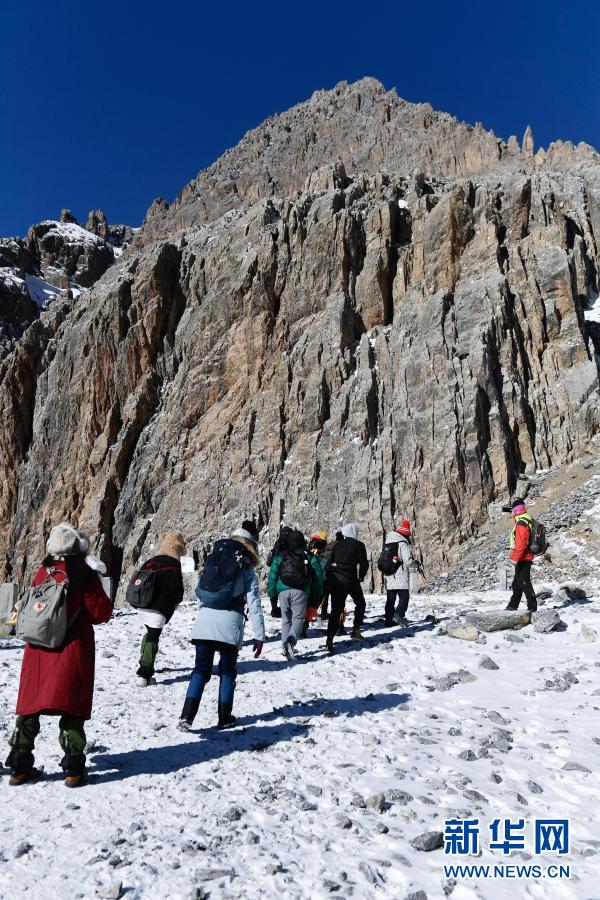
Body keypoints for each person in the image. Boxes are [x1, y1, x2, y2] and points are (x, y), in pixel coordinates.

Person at [5, 523, 112, 787]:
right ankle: (74, 769)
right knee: (72, 707)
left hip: (38, 652)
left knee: (29, 709)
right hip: (70, 651)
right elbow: (101, 613)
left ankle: (19, 767)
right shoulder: (83, 574)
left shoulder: (43, 572)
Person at [178, 526, 265, 731]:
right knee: (227, 672)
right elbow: (254, 605)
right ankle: (224, 717)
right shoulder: (246, 571)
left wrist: (203, 618)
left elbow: (202, 594)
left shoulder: (214, 562)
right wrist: (259, 635)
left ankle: (186, 717)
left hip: (205, 622)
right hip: (230, 625)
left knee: (200, 670)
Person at [134, 532, 186, 687]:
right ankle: (144, 673)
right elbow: (178, 591)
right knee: (153, 637)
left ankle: (145, 663)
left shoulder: (152, 561)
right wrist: (173, 604)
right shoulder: (173, 564)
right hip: (159, 608)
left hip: (143, 604)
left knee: (150, 633)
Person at [268, 530, 323, 660]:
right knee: (298, 618)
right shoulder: (308, 555)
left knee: (286, 620)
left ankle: (285, 647)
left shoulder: (281, 555)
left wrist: (272, 595)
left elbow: (272, 576)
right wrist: (318, 592)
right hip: (301, 590)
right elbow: (318, 575)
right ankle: (290, 643)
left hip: (283, 590)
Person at [325, 523, 369, 652]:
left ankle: (329, 639)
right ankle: (356, 629)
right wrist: (361, 575)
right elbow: (364, 563)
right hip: (350, 579)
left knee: (336, 610)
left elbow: (330, 561)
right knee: (360, 603)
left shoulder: (338, 545)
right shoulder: (358, 545)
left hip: (336, 579)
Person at [505, 499, 537, 612]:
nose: (510, 513)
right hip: (524, 556)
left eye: (511, 510)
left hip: (524, 557)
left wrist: (515, 558)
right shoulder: (525, 519)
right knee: (517, 583)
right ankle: (512, 605)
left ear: (516, 511)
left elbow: (521, 543)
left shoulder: (522, 523)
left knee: (524, 581)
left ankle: (532, 607)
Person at [382, 520, 416, 627]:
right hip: (400, 575)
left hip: (389, 574)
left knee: (390, 599)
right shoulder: (402, 544)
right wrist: (415, 564)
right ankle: (398, 615)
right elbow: (408, 560)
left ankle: (388, 620)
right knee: (404, 597)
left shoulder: (388, 542)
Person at [303, 530, 330, 635]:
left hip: (309, 578)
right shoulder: (323, 549)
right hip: (318, 578)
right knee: (321, 597)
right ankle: (321, 613)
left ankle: (309, 617)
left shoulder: (311, 546)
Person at [266, 525, 293, 617]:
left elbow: (273, 554)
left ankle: (274, 608)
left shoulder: (279, 542)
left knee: (273, 586)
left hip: (276, 565)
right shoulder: (291, 543)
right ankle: (286, 608)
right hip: (287, 567)